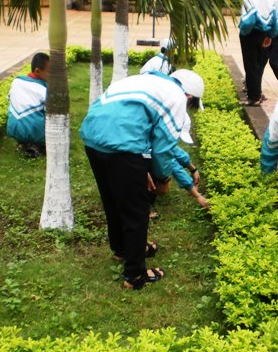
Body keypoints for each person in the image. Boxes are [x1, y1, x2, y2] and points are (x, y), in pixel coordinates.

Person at [80, 69, 204, 290]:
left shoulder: (143, 80)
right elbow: (164, 147)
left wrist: (140, 162)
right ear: (189, 97)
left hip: (93, 139)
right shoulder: (175, 96)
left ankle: (122, 250)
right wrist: (161, 177)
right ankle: (135, 275)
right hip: (124, 145)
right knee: (136, 211)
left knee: (113, 200)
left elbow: (136, 124)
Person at [239, 0, 276, 107]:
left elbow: (248, 20)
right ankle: (257, 94)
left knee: (250, 65)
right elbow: (274, 18)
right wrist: (270, 35)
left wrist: (243, 30)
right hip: (264, 34)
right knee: (258, 65)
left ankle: (253, 97)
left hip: (250, 35)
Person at [7, 52, 49, 158]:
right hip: (35, 131)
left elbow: (9, 98)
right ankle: (36, 145)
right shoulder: (43, 90)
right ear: (38, 71)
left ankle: (23, 143)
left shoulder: (17, 82)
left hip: (13, 128)